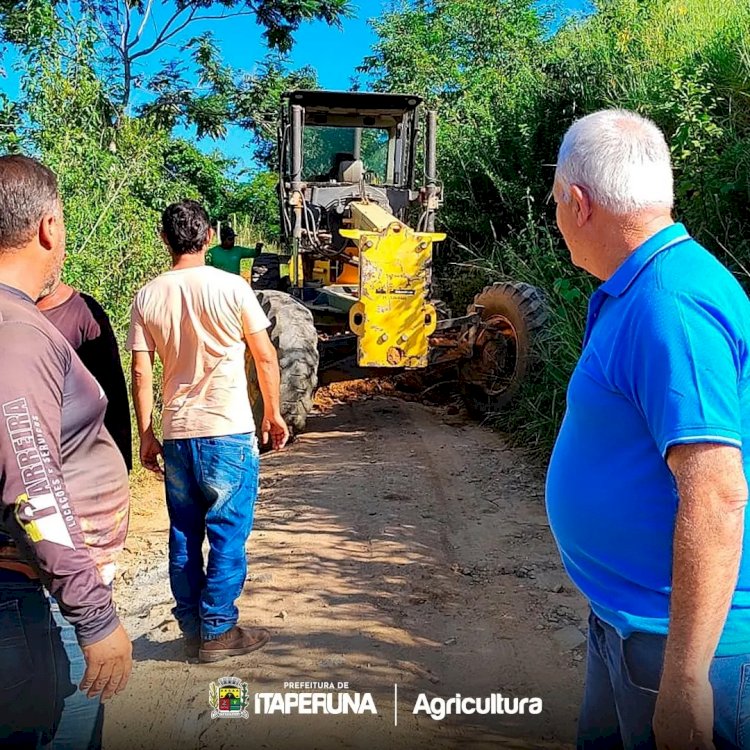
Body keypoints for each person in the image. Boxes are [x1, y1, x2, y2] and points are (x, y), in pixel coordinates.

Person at [546, 109, 750, 750]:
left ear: (579, 203)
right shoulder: (636, 290)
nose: (556, 218)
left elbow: (716, 493)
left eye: (554, 201)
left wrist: (686, 681)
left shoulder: (669, 305)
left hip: (680, 643)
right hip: (626, 619)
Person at [0, 155, 132, 748]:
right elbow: (33, 486)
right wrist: (95, 617)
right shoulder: (17, 334)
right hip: (33, 598)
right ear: (48, 227)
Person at [127, 199, 289, 663]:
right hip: (227, 431)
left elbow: (142, 372)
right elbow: (263, 356)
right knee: (227, 533)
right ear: (211, 236)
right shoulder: (233, 288)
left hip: (178, 434)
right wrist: (272, 414)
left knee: (183, 534)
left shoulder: (148, 295)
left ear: (165, 239)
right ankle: (218, 629)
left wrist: (146, 432)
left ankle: (192, 627)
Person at [37, 282, 133, 472]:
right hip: (27, 451)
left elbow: (112, 388)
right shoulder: (11, 310)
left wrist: (121, 457)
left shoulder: (84, 312)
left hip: (78, 453)